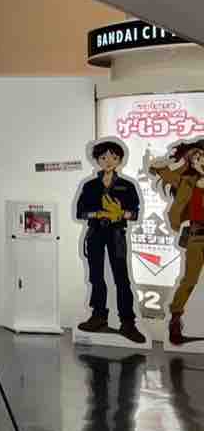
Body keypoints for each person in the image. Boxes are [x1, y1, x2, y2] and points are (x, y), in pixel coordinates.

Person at [76, 139, 144, 342]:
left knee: (122, 278)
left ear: (120, 160)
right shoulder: (90, 186)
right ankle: (98, 316)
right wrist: (98, 214)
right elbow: (80, 212)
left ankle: (128, 322)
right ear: (97, 159)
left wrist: (121, 213)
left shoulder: (127, 185)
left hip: (116, 234)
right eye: (104, 157)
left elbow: (135, 214)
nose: (108, 161)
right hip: (95, 233)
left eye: (113, 157)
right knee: (96, 276)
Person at [150, 138, 204, 345]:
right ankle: (175, 320)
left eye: (203, 157)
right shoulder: (186, 181)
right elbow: (158, 168)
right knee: (189, 280)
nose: (201, 161)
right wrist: (180, 162)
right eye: (196, 158)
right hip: (196, 236)